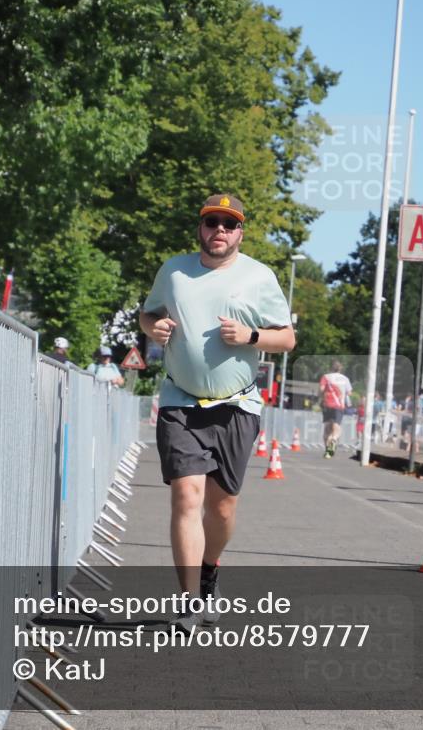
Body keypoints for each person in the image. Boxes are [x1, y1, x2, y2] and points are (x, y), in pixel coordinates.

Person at [139, 193, 294, 633]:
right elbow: (147, 315)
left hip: (236, 405)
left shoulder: (259, 277)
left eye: (229, 224)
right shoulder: (174, 270)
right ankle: (188, 601)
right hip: (180, 401)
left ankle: (210, 570)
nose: (219, 231)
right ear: (200, 228)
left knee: (222, 509)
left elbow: (286, 340)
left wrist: (250, 335)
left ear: (240, 231)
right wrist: (155, 327)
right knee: (187, 496)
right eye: (212, 223)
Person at [319, 361, 351, 458]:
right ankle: (333, 439)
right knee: (336, 428)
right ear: (340, 369)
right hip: (338, 405)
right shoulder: (345, 379)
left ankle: (327, 450)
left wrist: (322, 397)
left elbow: (321, 389)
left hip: (327, 404)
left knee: (327, 427)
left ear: (331, 368)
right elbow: (349, 393)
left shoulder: (326, 377)